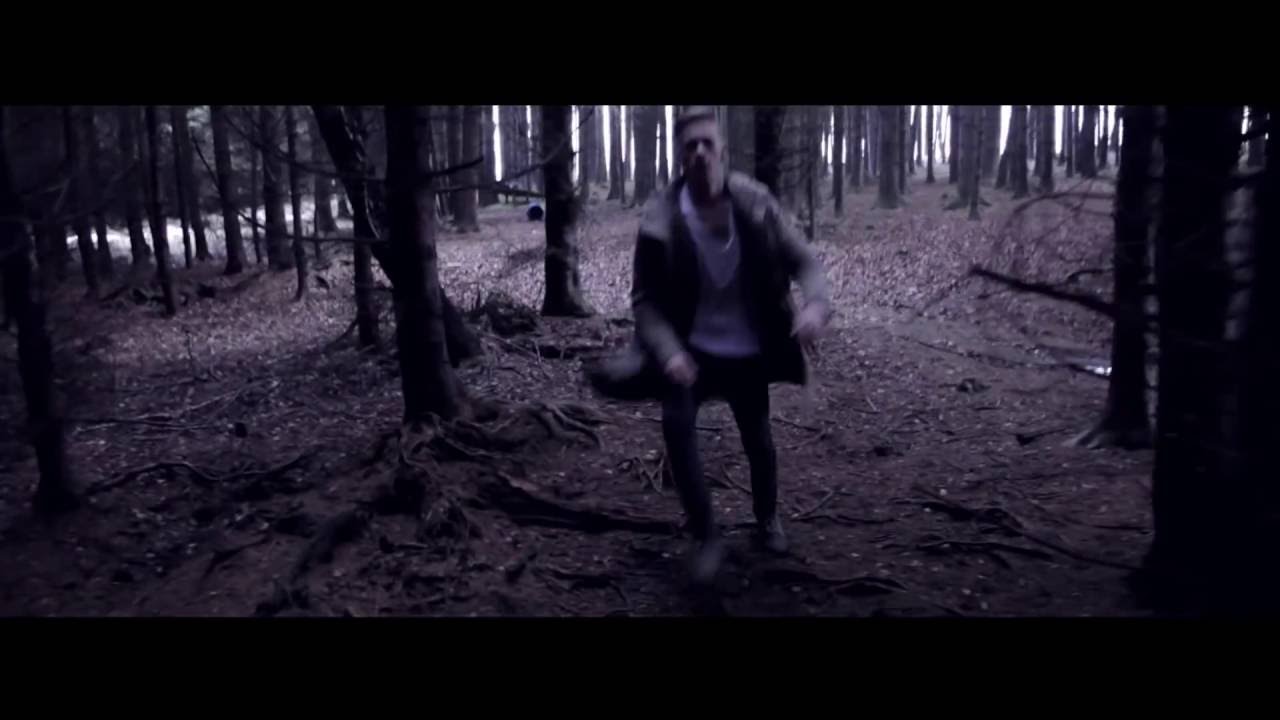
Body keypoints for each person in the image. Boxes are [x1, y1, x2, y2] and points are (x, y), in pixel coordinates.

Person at [587, 106, 831, 585]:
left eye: (707, 144)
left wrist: (815, 307)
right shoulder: (660, 216)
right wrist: (669, 352)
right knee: (677, 430)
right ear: (680, 158)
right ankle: (705, 536)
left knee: (758, 439)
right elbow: (644, 299)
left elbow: (805, 261)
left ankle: (767, 519)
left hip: (747, 352)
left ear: (723, 151)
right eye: (689, 146)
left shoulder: (755, 202)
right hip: (690, 352)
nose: (699, 153)